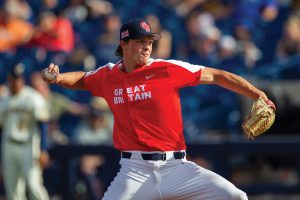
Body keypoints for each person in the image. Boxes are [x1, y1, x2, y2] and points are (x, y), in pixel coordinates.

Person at [41, 18, 275, 200]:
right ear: (124, 44)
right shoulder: (108, 75)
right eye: (140, 42)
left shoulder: (166, 69)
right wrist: (58, 78)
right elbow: (83, 78)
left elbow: (217, 75)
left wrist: (257, 94)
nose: (147, 47)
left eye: (150, 42)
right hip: (134, 170)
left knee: (235, 196)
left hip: (177, 167)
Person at [0, 63, 50, 200]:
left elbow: (43, 124)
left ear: (23, 80)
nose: (16, 82)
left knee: (34, 185)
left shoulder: (33, 97)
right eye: (13, 79)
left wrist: (43, 149)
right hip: (9, 144)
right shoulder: (3, 98)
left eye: (19, 79)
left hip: (29, 145)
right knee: (13, 190)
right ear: (9, 79)